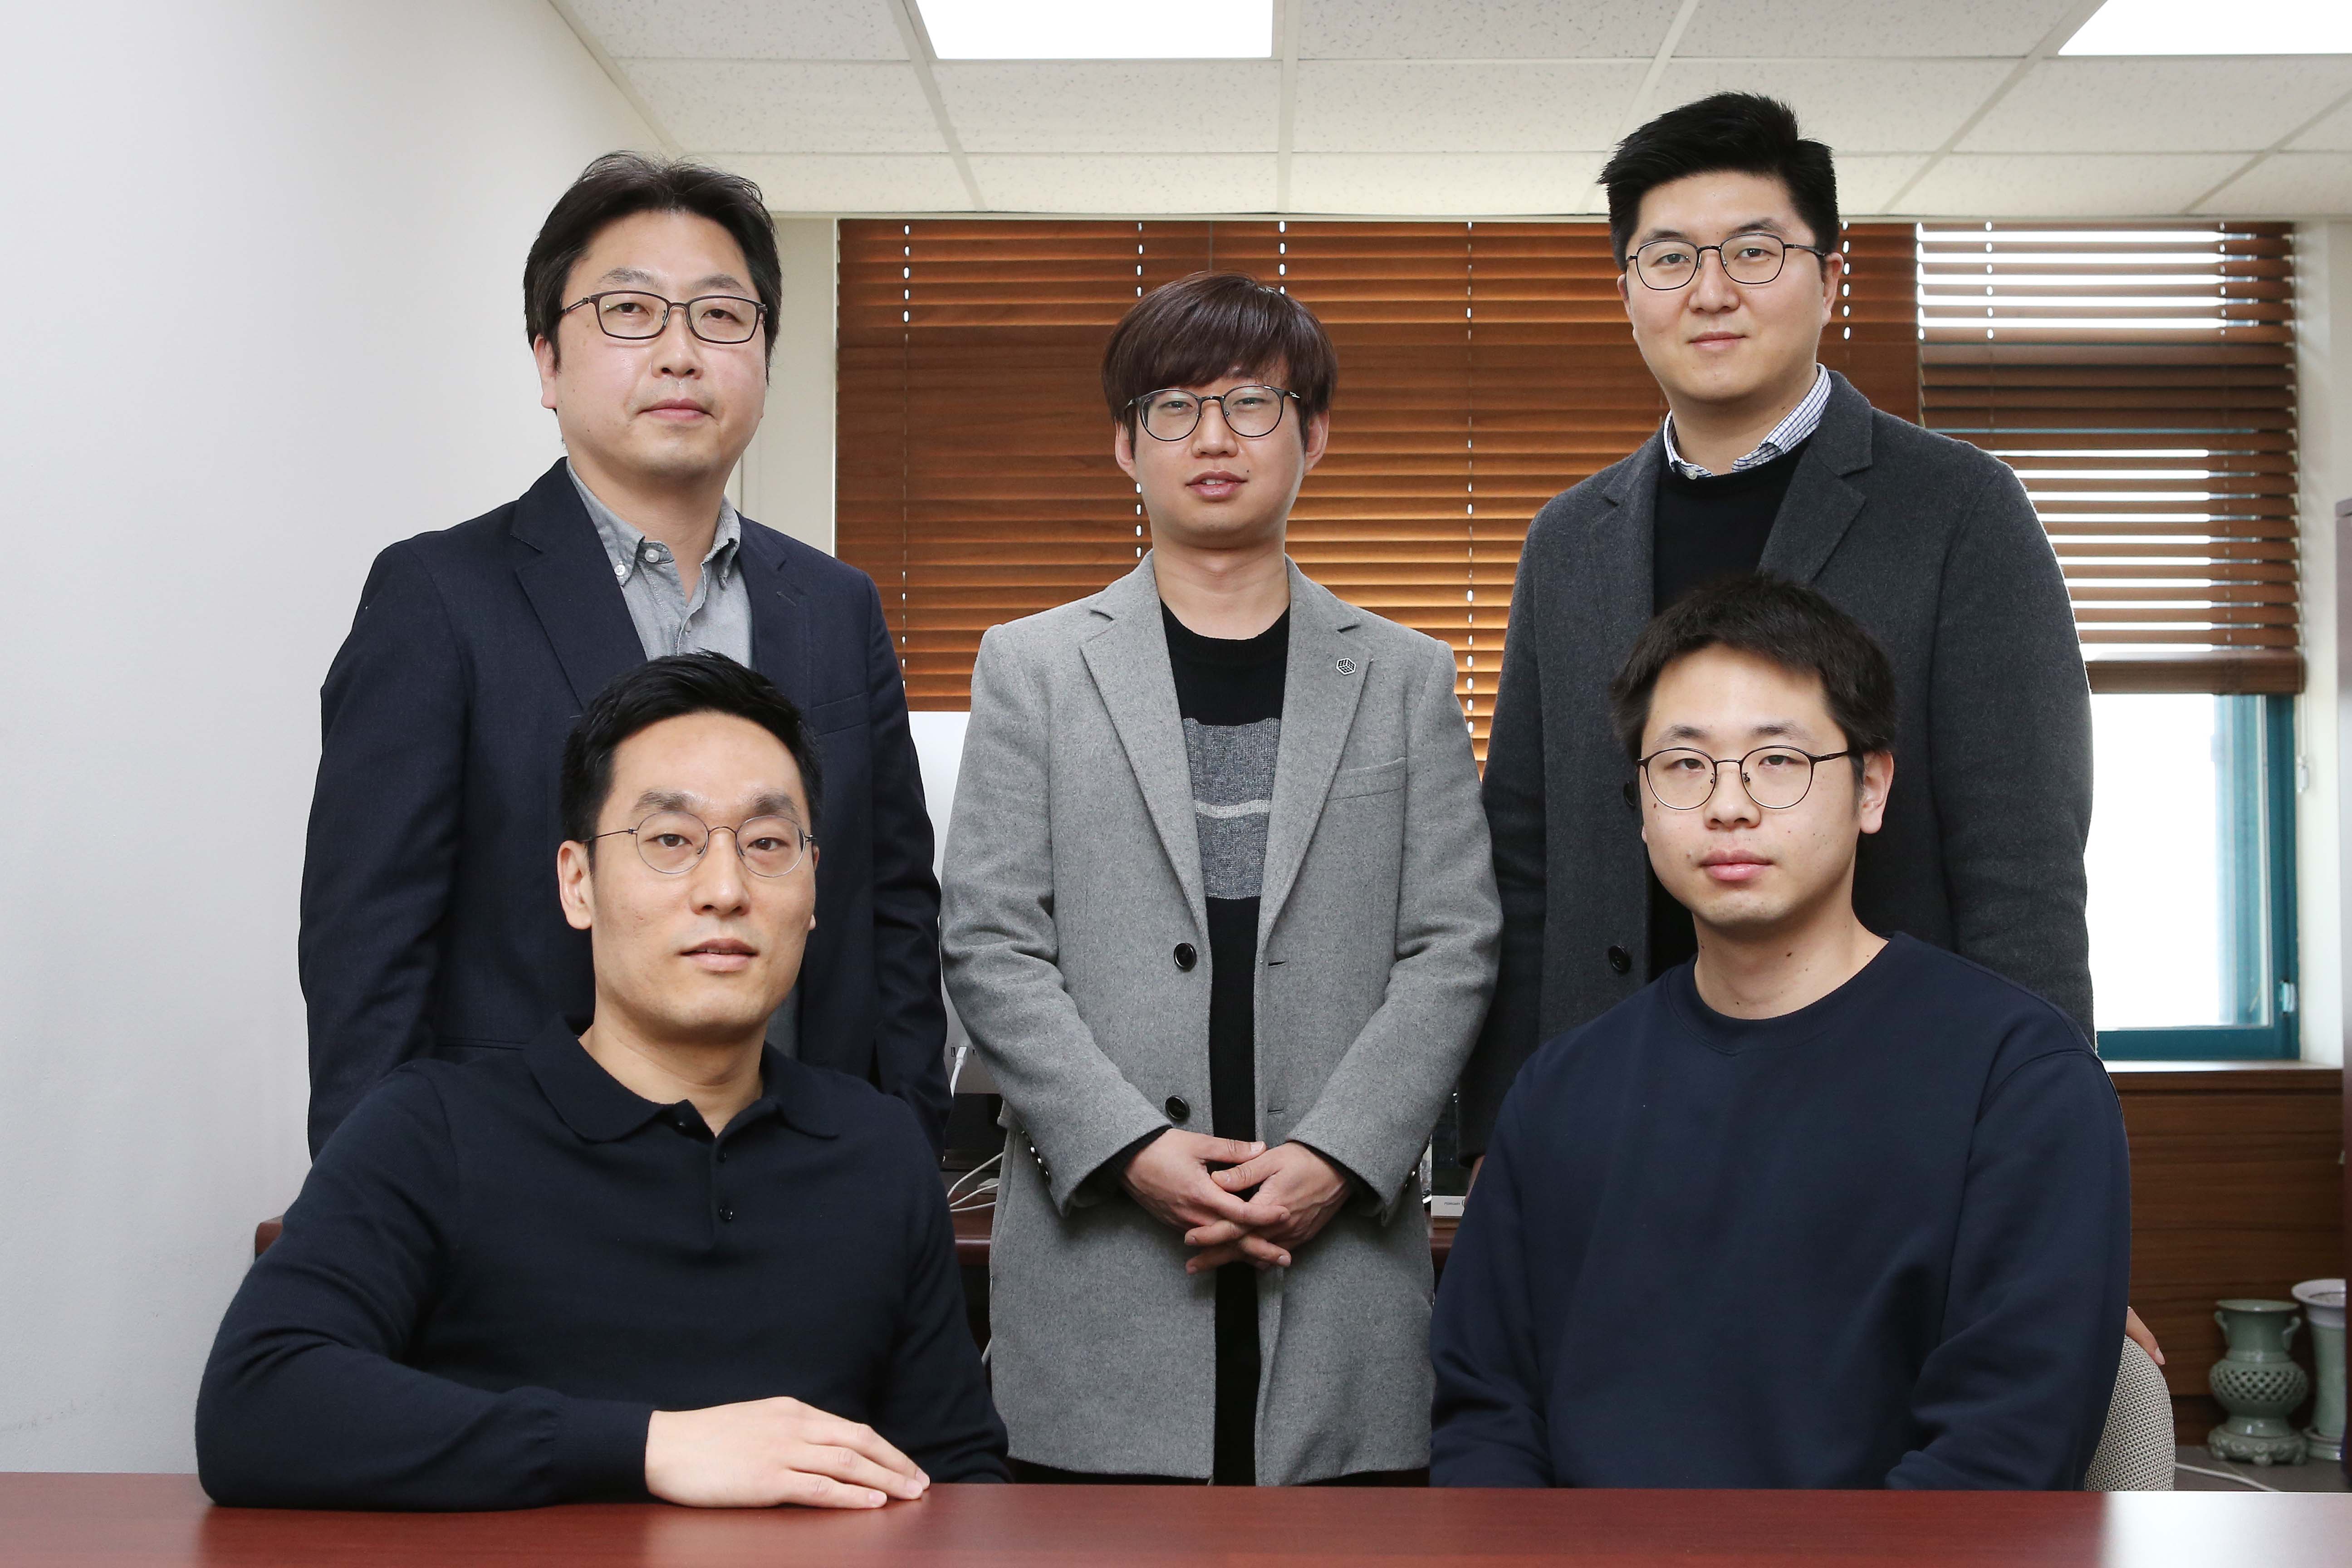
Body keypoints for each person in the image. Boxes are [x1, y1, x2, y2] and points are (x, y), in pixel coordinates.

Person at [200, 654, 1007, 1508]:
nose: (726, 889)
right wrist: (653, 1445)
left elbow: (954, 1479)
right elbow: (257, 1405)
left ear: (813, 892)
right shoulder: (431, 1128)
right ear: (577, 883)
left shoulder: (877, 1149)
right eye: (670, 841)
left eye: (768, 844)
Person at [941, 273, 1500, 1485]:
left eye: (1252, 405)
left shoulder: (1403, 675)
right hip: (1103, 1265)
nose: (1211, 438)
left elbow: (1453, 944)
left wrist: (1340, 1157)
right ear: (1123, 446)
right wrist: (1129, 1148)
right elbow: (989, 944)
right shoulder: (1031, 666)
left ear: (1315, 436)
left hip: (1341, 1263)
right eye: (1173, 408)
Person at [1460, 92, 2093, 1152]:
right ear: (1628, 292)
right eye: (1668, 259)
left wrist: (2045, 1167)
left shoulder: (1960, 508)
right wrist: (1499, 1147)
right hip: (1613, 1114)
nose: (1711, 293)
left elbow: (2022, 870)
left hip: (1886, 1108)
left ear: (1832, 276)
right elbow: (1525, 865)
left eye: (1755, 251)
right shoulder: (1569, 539)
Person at [300, 152, 948, 1158]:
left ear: (765, 358)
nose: (681, 354)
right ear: (547, 362)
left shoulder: (836, 605)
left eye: (722, 316)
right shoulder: (439, 597)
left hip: (807, 1175)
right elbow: (368, 945)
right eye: (632, 312)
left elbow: (892, 905)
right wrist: (377, 1203)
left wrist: (906, 1148)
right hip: (528, 1188)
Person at [1431, 575, 2131, 1490]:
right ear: (1641, 807)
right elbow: (1486, 1422)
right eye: (1684, 765)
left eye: (1778, 761)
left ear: (1871, 787)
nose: (1728, 805)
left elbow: (2002, 1457)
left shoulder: (2021, 1083)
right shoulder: (1558, 1093)